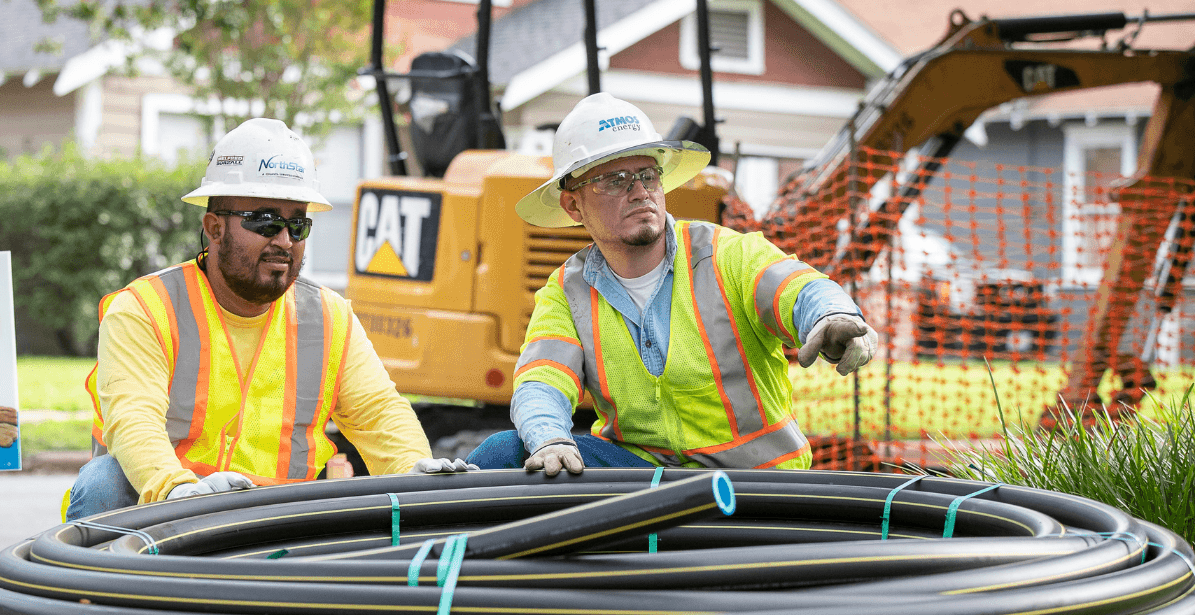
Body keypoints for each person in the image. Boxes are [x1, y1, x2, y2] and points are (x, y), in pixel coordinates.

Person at [66, 118, 473, 520]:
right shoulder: (146, 308)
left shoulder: (329, 318)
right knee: (104, 481)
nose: (284, 240)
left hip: (277, 520)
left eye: (298, 224)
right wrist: (177, 489)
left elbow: (378, 411)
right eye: (265, 221)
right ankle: (91, 583)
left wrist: (414, 467)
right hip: (168, 510)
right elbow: (134, 418)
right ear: (214, 228)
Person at [468, 93, 878, 475]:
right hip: (642, 475)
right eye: (615, 180)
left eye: (648, 175)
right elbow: (542, 379)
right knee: (502, 453)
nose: (640, 191)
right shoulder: (567, 290)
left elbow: (798, 286)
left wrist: (833, 314)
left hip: (756, 480)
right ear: (573, 204)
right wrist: (549, 439)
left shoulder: (725, 255)